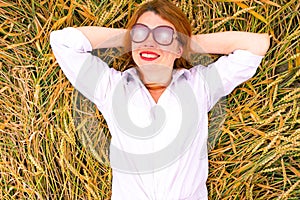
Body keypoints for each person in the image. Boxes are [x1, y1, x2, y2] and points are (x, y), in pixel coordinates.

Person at [50, 0, 270, 199]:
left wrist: (188, 44)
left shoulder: (199, 86)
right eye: (140, 33)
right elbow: (62, 42)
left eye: (163, 35)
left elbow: (256, 46)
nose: (150, 43)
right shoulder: (111, 89)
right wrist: (129, 38)